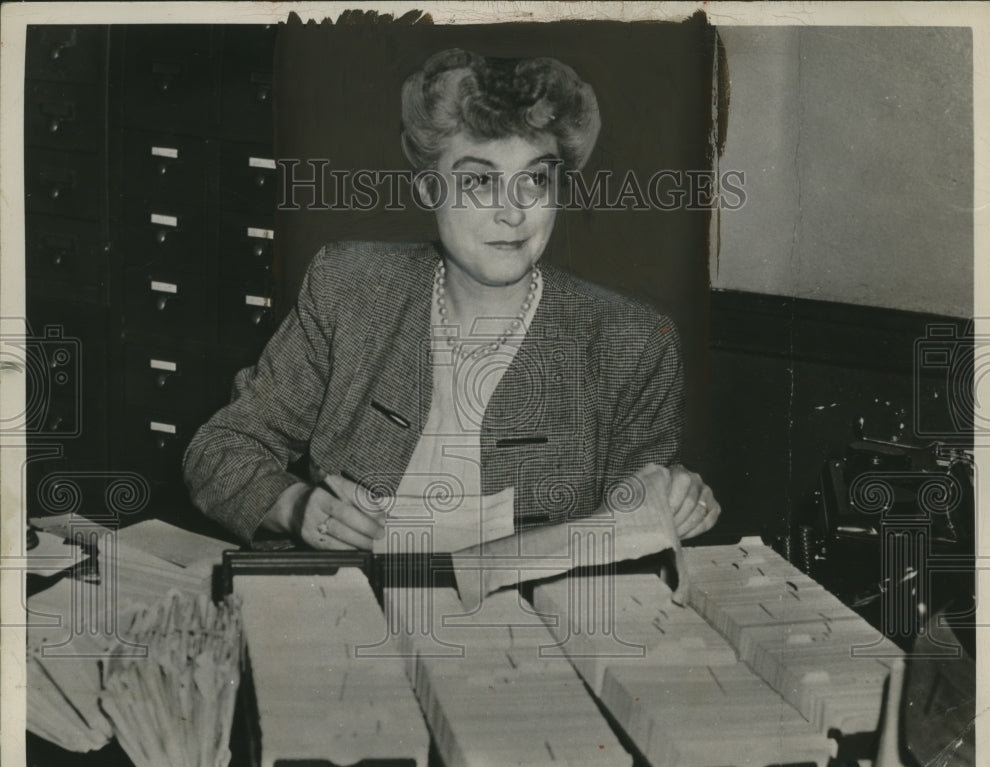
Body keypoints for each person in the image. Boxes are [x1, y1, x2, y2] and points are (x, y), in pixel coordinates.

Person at [182, 48, 720, 562]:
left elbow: (635, 539)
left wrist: (673, 502)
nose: (513, 212)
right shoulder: (350, 289)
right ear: (427, 187)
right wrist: (295, 506)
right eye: (480, 180)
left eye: (536, 179)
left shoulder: (632, 344)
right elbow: (220, 449)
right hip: (352, 603)